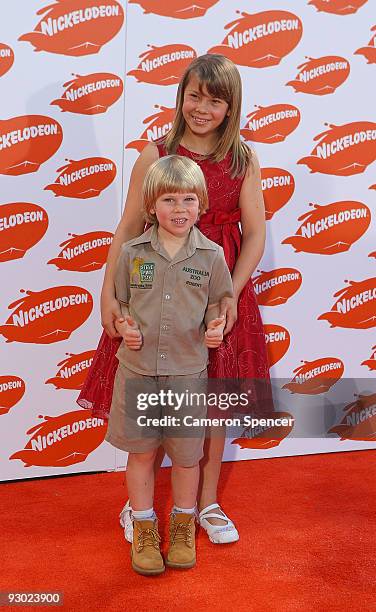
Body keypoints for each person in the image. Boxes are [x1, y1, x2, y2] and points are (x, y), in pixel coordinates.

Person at [78, 53, 270, 544]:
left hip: (215, 294)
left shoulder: (242, 159)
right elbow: (127, 228)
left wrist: (232, 297)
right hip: (155, 293)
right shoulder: (157, 152)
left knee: (209, 404)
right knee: (151, 392)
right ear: (180, 96)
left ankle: (205, 502)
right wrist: (108, 295)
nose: (201, 108)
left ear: (231, 107)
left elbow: (255, 235)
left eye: (214, 100)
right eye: (194, 96)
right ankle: (139, 504)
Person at [109, 154, 233, 575]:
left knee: (184, 457)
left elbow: (221, 302)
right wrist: (124, 324)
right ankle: (144, 526)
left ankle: (182, 523)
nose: (179, 210)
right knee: (142, 454)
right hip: (138, 373)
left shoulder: (212, 255)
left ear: (201, 204)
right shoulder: (131, 252)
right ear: (151, 206)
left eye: (187, 200)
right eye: (168, 200)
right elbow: (122, 302)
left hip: (187, 375)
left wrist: (217, 325)